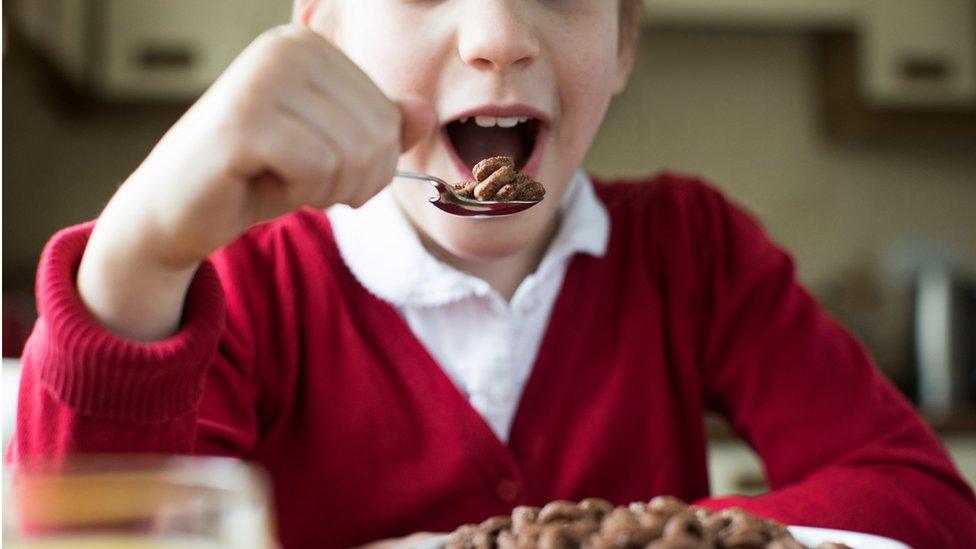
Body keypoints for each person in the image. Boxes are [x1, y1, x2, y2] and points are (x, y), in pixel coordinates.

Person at [9, 1, 975, 547]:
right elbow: (85, 534)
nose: (498, 35)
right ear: (325, 31)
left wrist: (627, 537)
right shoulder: (247, 287)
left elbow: (925, 499)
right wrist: (139, 252)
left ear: (626, 40)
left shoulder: (693, 252)